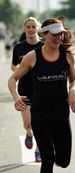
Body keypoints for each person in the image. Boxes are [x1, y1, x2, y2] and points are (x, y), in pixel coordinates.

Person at [8, 18, 75, 173]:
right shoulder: (32, 57)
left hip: (61, 113)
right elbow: (12, 79)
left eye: (61, 34)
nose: (59, 38)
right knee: (47, 159)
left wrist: (72, 90)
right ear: (44, 35)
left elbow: (74, 79)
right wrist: (15, 96)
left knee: (63, 161)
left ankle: (54, 145)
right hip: (40, 114)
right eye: (54, 34)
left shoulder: (67, 56)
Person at [11, 17, 44, 162]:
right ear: (24, 29)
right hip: (24, 90)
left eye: (33, 27)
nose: (30, 30)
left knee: (42, 123)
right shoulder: (19, 47)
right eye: (28, 27)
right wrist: (18, 70)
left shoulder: (44, 46)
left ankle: (39, 150)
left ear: (38, 28)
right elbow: (13, 65)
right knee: (28, 124)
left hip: (41, 90)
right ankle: (29, 133)